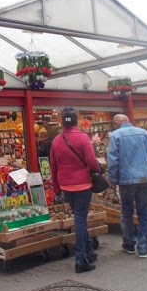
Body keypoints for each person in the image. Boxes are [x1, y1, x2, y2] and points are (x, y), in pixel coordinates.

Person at [106, 114, 147, 259]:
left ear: (116, 123)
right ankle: (144, 248)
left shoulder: (116, 136)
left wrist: (112, 179)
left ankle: (129, 244)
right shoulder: (144, 133)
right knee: (144, 212)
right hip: (145, 178)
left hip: (126, 180)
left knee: (127, 212)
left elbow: (113, 161)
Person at [50, 107, 100, 274]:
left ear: (62, 122)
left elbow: (53, 166)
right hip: (83, 184)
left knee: (79, 218)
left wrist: (56, 188)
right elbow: (91, 160)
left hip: (65, 185)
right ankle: (80, 260)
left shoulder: (56, 141)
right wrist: (98, 170)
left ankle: (89, 252)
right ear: (76, 121)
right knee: (80, 220)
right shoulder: (83, 137)